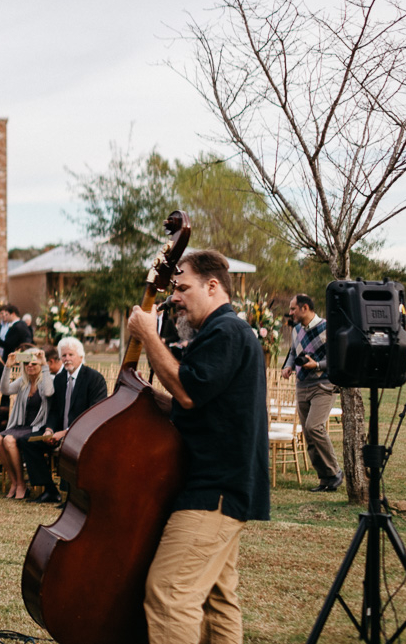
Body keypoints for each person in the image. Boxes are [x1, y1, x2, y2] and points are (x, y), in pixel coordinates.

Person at [127, 250, 269, 644]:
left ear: (212, 286)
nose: (174, 296)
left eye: (182, 287)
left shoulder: (226, 332)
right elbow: (204, 403)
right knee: (217, 600)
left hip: (214, 491)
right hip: (226, 488)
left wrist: (148, 335)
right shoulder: (223, 333)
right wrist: (155, 400)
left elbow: (189, 391)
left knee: (169, 595)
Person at [21, 336, 107, 504]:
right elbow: (54, 411)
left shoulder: (94, 378)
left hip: (86, 433)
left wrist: (65, 433)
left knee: (69, 445)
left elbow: (94, 416)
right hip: (60, 431)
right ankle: (49, 490)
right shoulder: (59, 379)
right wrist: (50, 430)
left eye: (70, 354)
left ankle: (73, 498)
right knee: (28, 441)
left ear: (81, 356)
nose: (67, 359)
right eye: (64, 355)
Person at [283, 293, 342, 492]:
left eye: (293, 309)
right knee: (309, 434)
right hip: (302, 385)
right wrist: (289, 366)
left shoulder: (327, 327)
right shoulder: (296, 329)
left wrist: (316, 364)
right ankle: (325, 479)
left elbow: (337, 358)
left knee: (314, 427)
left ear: (305, 308)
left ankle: (335, 471)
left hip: (323, 385)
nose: (290, 313)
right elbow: (293, 352)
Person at [0, 344, 54, 499]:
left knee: (8, 440)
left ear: (40, 364)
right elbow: (5, 390)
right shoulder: (23, 381)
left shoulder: (48, 379)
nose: (30, 366)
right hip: (21, 425)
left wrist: (45, 365)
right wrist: (7, 367)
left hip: (38, 427)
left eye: (34, 363)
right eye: (27, 363)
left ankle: (21, 484)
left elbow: (48, 392)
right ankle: (16, 482)